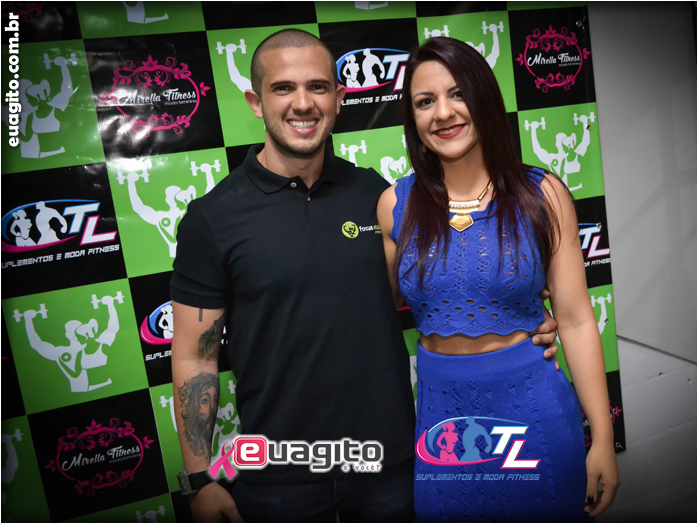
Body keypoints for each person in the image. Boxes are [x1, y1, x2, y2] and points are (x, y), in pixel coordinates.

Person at [170, 29, 561, 523]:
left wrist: (522, 318)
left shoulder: (379, 196)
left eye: (317, 87)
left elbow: (440, 285)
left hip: (389, 464)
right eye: (283, 88)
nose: (303, 104)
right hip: (278, 475)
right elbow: (194, 354)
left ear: (339, 98)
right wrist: (199, 477)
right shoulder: (212, 218)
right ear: (255, 101)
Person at [377, 37, 620, 521]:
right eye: (425, 101)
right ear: (412, 118)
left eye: (458, 94)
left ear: (484, 98)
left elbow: (574, 320)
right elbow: (374, 316)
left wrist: (603, 438)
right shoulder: (394, 205)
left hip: (533, 410)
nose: (443, 113)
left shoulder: (542, 194)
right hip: (443, 424)